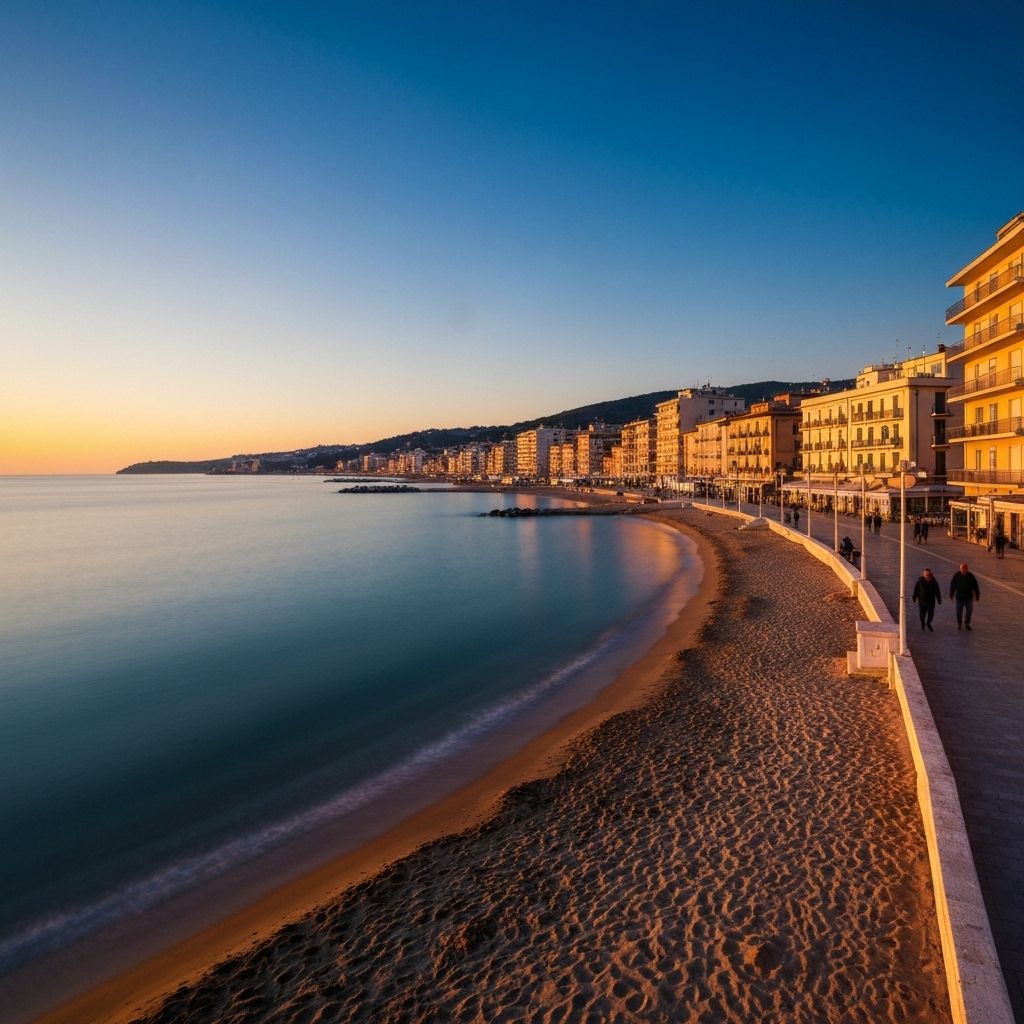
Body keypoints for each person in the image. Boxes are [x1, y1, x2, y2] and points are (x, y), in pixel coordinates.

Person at [949, 562, 981, 631]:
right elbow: (952, 585)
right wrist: (951, 594)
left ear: (967, 569)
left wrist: (977, 596)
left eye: (964, 568)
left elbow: (976, 586)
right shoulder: (956, 575)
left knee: (969, 612)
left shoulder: (971, 576)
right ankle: (959, 624)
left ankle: (967, 623)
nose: (962, 569)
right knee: (958, 612)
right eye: (961, 568)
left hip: (969, 598)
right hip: (959, 598)